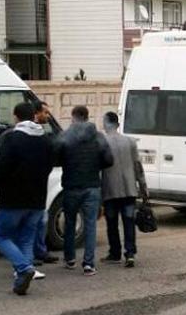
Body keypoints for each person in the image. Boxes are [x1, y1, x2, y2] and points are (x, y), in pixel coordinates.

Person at [0, 102, 53, 295]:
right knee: (26, 238)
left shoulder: (12, 139)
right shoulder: (45, 139)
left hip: (13, 198)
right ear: (34, 116)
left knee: (2, 236)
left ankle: (24, 268)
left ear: (15, 117)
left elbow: (1, 168)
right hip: (37, 199)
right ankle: (22, 279)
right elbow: (48, 166)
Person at [55, 106, 113, 276]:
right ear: (87, 117)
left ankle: (70, 258)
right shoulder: (98, 137)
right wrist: (96, 166)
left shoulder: (64, 136)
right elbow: (109, 160)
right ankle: (88, 264)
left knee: (70, 223)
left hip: (71, 185)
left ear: (73, 117)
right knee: (90, 225)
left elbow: (56, 157)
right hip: (92, 186)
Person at [101, 112, 149, 268]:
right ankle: (130, 254)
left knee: (112, 222)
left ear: (106, 124)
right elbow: (138, 167)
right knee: (128, 222)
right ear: (118, 124)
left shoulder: (102, 142)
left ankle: (115, 252)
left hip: (110, 189)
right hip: (129, 189)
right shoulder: (130, 142)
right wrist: (143, 189)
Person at [31, 101, 59, 266]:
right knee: (34, 221)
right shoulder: (34, 133)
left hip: (39, 183)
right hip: (31, 183)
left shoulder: (42, 131)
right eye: (46, 113)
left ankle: (40, 251)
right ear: (37, 113)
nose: (48, 116)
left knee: (41, 219)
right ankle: (33, 255)